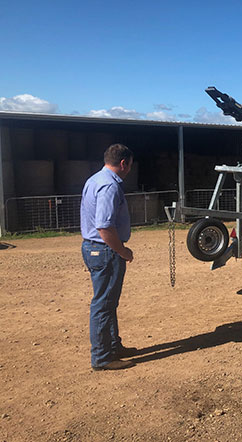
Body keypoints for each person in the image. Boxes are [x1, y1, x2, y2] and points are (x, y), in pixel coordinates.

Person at [81, 144, 138, 370]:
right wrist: (121, 250)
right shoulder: (109, 186)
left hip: (94, 247)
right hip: (105, 250)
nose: (129, 170)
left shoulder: (93, 180)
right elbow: (104, 226)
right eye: (130, 166)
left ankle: (113, 346)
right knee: (103, 304)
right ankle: (102, 357)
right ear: (123, 163)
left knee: (108, 301)